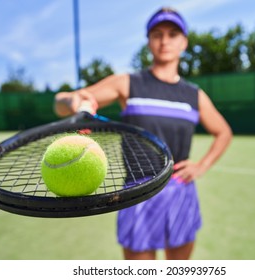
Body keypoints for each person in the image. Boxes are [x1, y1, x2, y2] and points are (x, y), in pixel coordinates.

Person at [54, 7, 232, 260]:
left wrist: (202, 166)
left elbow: (223, 132)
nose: (164, 40)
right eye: (157, 33)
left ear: (184, 42)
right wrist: (72, 102)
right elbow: (64, 101)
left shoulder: (194, 95)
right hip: (137, 194)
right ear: (149, 41)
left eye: (172, 33)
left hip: (179, 191)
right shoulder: (128, 83)